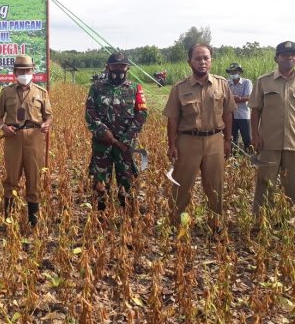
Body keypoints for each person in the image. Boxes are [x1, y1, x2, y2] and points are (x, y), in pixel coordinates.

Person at [163, 44, 236, 226]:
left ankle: (215, 223)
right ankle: (174, 221)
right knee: (182, 183)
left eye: (206, 58)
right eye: (197, 58)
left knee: (215, 184)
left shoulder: (222, 84)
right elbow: (172, 119)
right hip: (188, 141)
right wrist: (171, 145)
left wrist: (228, 140)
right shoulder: (179, 88)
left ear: (211, 60)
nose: (202, 62)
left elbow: (228, 114)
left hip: (215, 140)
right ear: (190, 62)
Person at [249, 41, 295, 215]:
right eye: (284, 55)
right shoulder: (263, 81)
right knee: (265, 184)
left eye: (293, 54)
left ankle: (289, 220)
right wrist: (255, 136)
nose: (289, 57)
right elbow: (255, 110)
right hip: (269, 142)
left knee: (292, 186)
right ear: (277, 58)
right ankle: (260, 220)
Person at [0, 55, 53, 226]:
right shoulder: (7, 92)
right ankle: (8, 219)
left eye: (27, 70)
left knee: (33, 177)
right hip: (13, 138)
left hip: (34, 138)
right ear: (15, 72)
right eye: (20, 70)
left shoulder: (41, 93)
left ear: (32, 71)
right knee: (11, 178)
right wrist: (3, 127)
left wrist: (46, 125)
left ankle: (33, 221)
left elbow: (48, 116)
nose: (24, 73)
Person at [85, 52, 148, 210]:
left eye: (122, 66)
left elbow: (141, 113)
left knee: (127, 181)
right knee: (100, 182)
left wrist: (127, 139)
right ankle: (100, 215)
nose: (119, 69)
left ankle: (127, 216)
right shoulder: (97, 87)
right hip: (102, 144)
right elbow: (90, 112)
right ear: (108, 67)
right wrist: (103, 131)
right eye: (115, 66)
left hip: (125, 146)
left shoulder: (135, 88)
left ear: (128, 68)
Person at [226, 62, 253, 153]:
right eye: (231, 72)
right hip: (231, 116)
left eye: (235, 71)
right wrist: (236, 98)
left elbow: (248, 97)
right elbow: (225, 98)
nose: (233, 73)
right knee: (233, 139)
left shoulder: (246, 82)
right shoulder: (227, 83)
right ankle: (234, 161)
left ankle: (250, 159)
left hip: (243, 115)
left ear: (239, 72)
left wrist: (237, 98)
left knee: (247, 139)